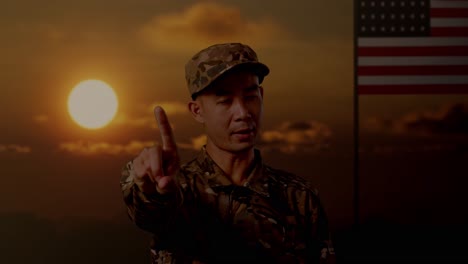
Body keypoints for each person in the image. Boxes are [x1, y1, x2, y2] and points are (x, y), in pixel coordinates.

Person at [120, 43, 335, 263]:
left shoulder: (298, 197)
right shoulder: (180, 189)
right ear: (198, 111)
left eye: (250, 97)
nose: (243, 113)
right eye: (225, 101)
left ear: (261, 96)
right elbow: (150, 213)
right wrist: (150, 191)